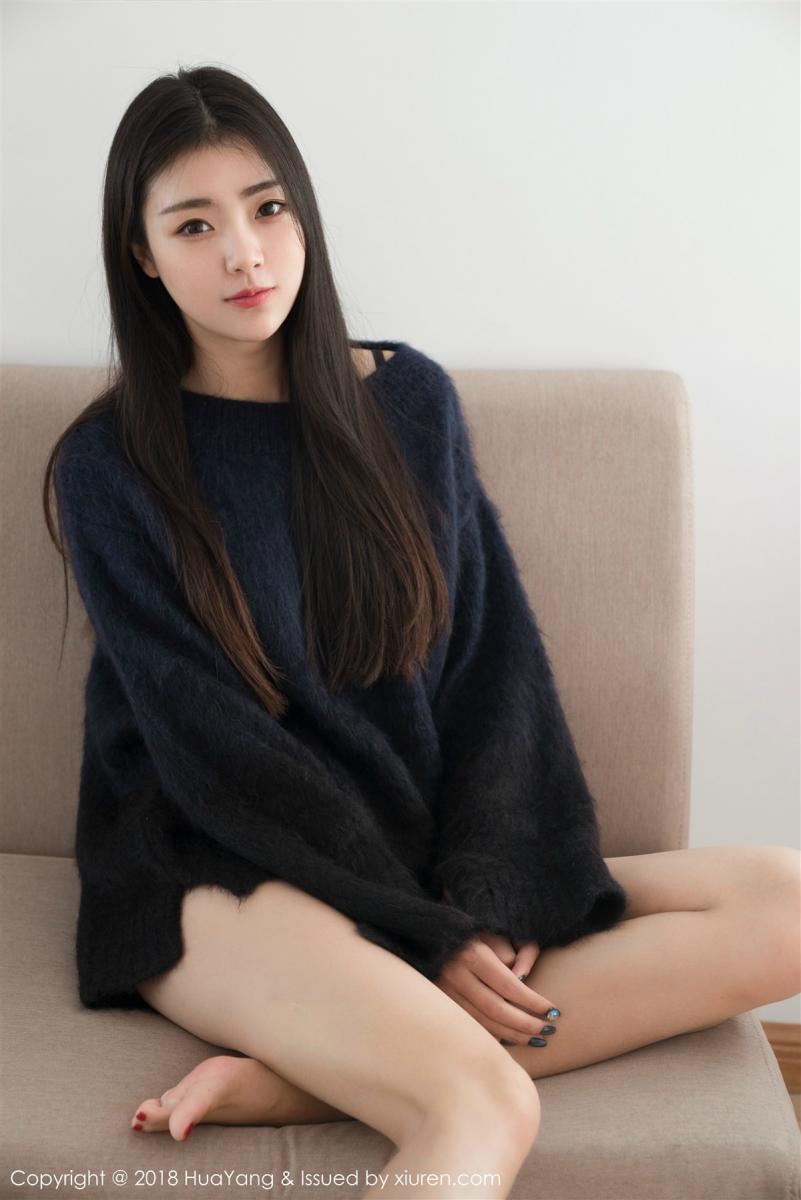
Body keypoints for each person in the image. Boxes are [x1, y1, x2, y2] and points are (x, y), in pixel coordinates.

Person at [43, 64, 801, 1200]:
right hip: (215, 863)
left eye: (266, 207)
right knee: (482, 1104)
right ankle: (381, 1048)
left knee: (788, 899)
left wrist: (489, 889)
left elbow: (495, 668)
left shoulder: (410, 404)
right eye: (193, 225)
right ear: (142, 256)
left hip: (407, 846)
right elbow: (210, 750)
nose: (245, 254)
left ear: (303, 213)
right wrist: (421, 930)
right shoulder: (110, 467)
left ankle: (312, 1075)